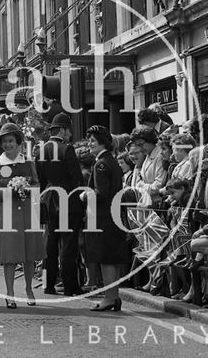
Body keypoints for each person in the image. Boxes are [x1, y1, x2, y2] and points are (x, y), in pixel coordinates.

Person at [0, 122, 46, 308]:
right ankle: (10, 292)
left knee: (29, 254)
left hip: (28, 212)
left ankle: (28, 289)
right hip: (7, 214)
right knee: (10, 256)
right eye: (4, 142)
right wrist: (8, 192)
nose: (8, 145)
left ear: (18, 142)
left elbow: (37, 184)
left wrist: (27, 189)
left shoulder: (28, 163)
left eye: (11, 141)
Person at [36, 113, 84, 297]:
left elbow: (40, 179)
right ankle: (70, 285)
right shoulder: (67, 149)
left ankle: (48, 284)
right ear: (62, 130)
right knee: (68, 246)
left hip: (49, 200)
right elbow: (76, 179)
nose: (69, 134)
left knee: (50, 244)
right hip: (68, 200)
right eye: (68, 131)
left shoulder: (41, 150)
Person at [80, 125, 126, 312]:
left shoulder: (100, 164)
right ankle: (113, 297)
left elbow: (100, 193)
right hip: (113, 215)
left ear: (102, 142)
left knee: (106, 259)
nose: (89, 144)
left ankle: (109, 297)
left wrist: (84, 195)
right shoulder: (111, 161)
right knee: (112, 259)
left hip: (103, 217)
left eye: (92, 140)